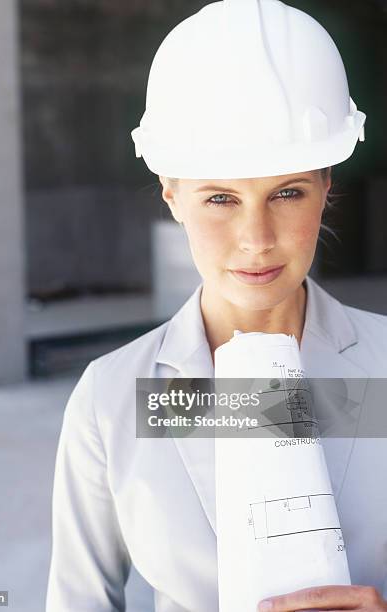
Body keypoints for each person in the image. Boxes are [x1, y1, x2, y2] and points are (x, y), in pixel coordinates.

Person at [45, 1, 387, 610]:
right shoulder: (111, 399)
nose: (257, 239)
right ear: (171, 194)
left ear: (327, 184)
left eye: (287, 192)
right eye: (221, 199)